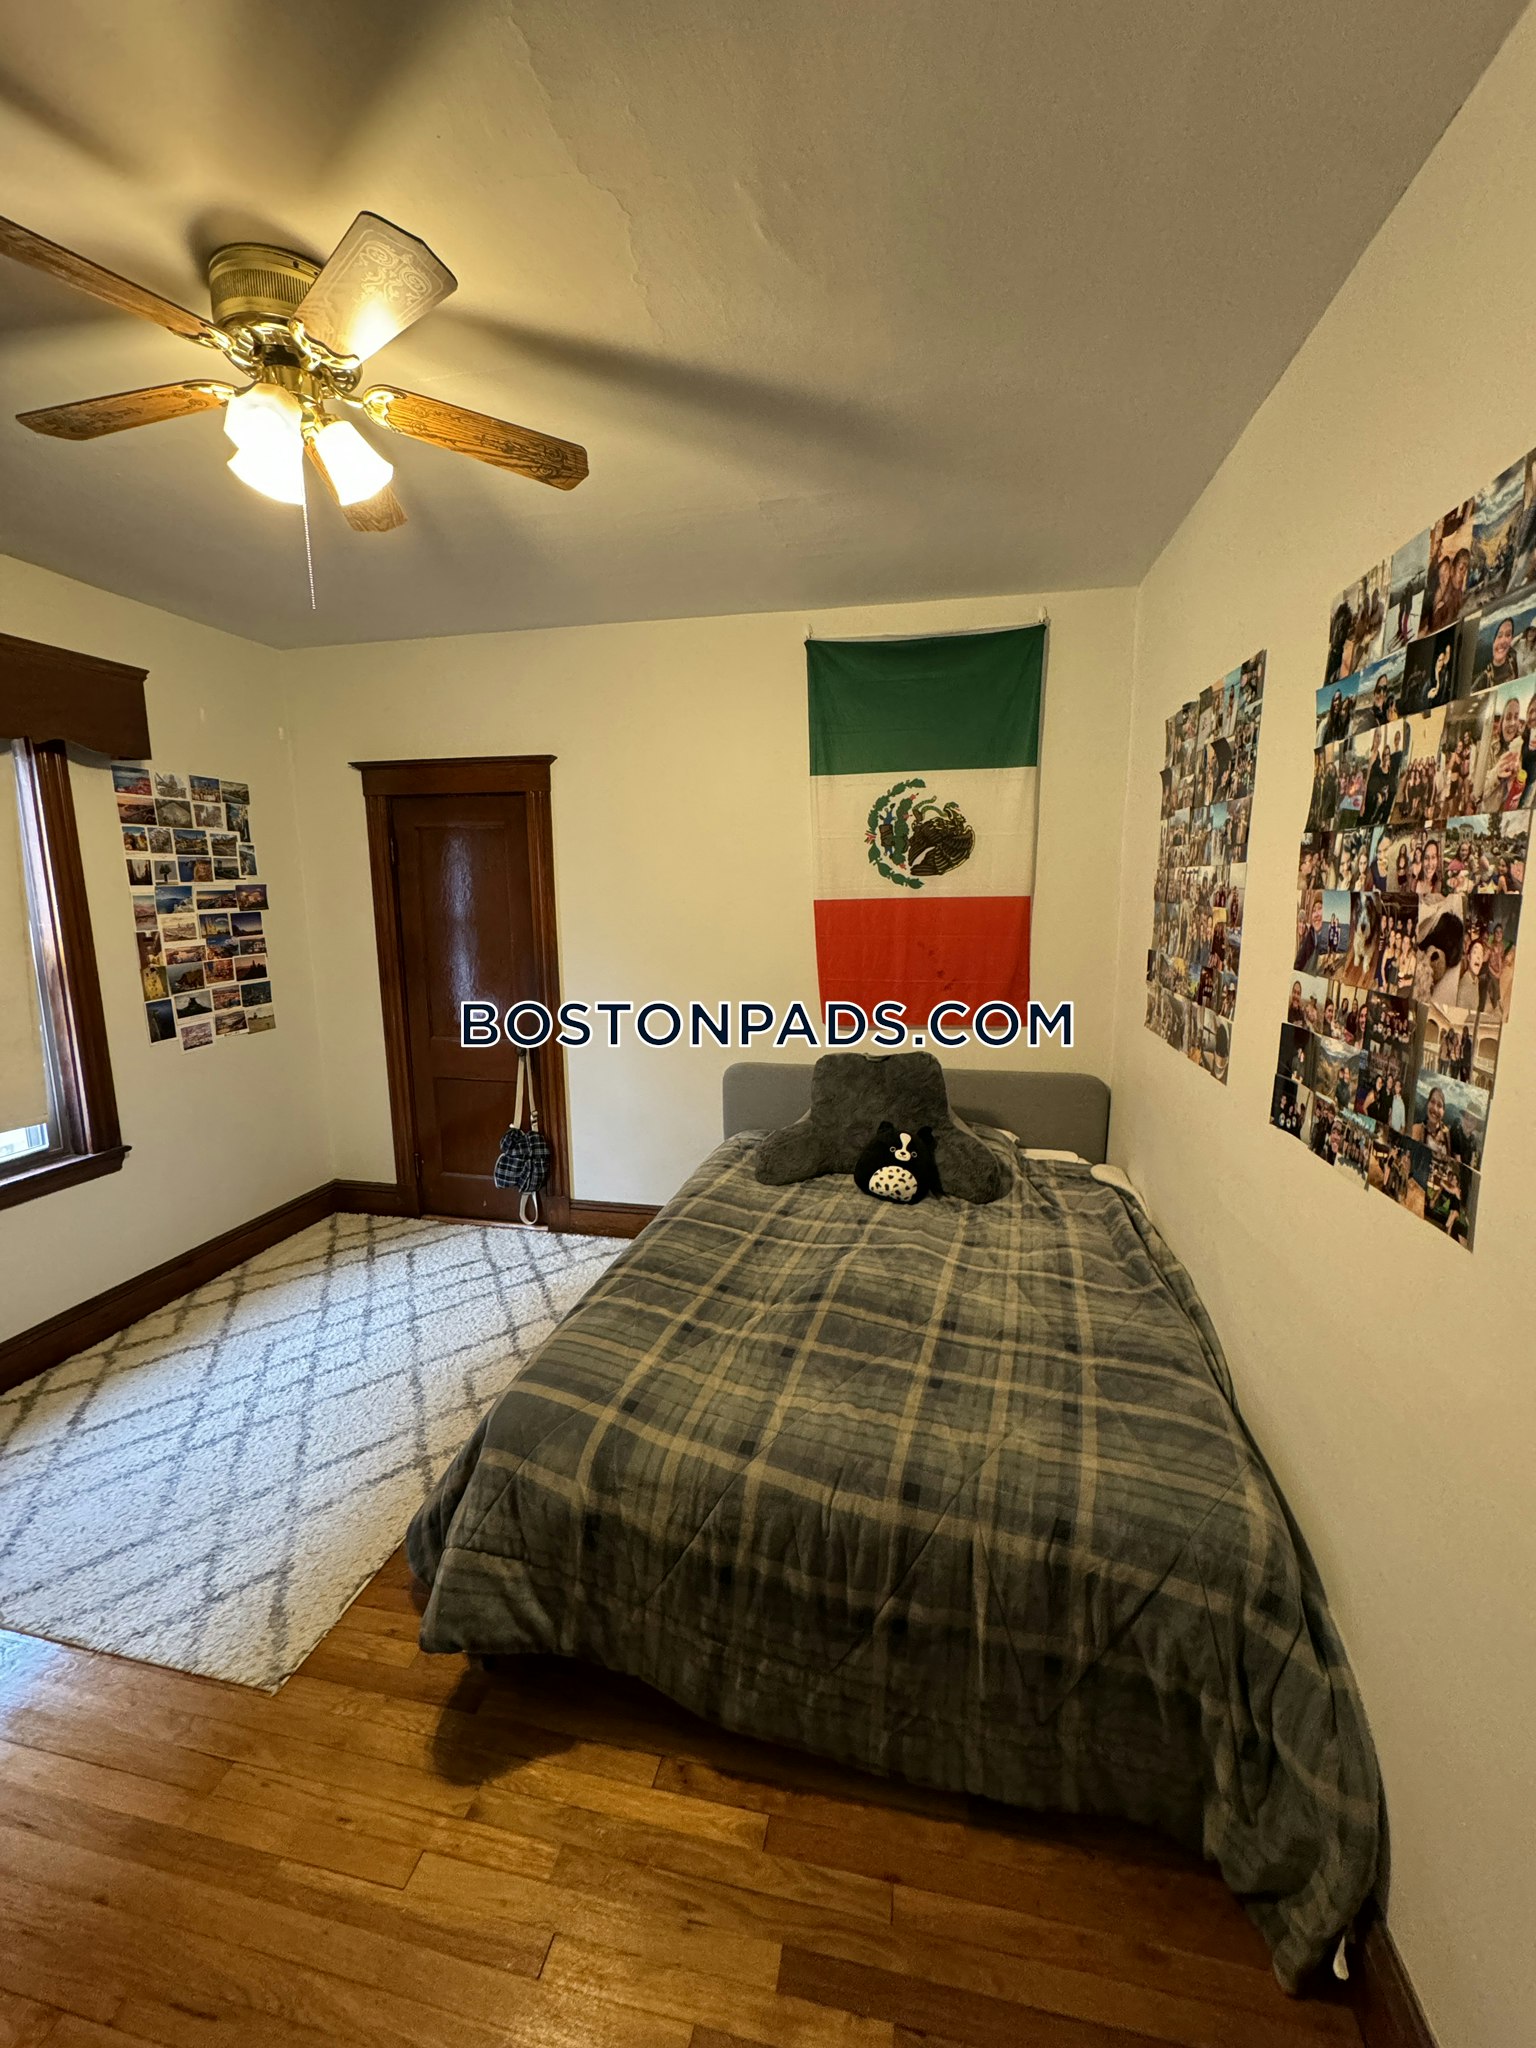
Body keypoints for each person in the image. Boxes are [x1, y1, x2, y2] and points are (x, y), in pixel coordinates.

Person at [1478, 693, 1529, 811]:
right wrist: (1497, 773)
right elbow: (1477, 795)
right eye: (1508, 717)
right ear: (1501, 723)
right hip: (1488, 812)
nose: (1512, 722)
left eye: (1516, 717)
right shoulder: (1489, 748)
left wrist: (1517, 781)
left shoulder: (1523, 749)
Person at [1477, 614, 1521, 690]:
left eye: (1508, 635)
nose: (1503, 641)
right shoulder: (1483, 679)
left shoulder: (1514, 659)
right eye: (1499, 636)